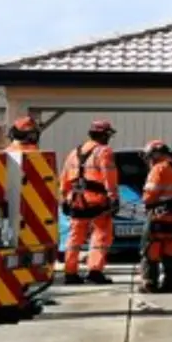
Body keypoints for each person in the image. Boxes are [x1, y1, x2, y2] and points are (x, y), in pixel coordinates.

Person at [61, 120, 120, 285]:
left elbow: (65, 177)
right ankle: (94, 271)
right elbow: (109, 176)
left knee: (74, 238)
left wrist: (64, 198)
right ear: (104, 135)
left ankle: (70, 273)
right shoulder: (104, 152)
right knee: (101, 236)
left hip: (76, 201)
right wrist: (113, 197)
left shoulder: (74, 152)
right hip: (97, 202)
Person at [139, 140, 172, 294]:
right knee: (170, 250)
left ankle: (150, 283)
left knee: (151, 249)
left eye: (149, 156)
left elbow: (149, 195)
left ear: (156, 154)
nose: (149, 160)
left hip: (158, 216)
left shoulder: (159, 169)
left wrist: (145, 202)